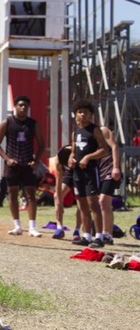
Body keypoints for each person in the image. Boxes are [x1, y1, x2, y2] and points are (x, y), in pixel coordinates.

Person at [0, 95, 45, 237]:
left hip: (28, 164)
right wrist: (7, 159)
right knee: (12, 194)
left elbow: (42, 145)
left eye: (26, 106)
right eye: (21, 105)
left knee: (31, 195)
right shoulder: (7, 123)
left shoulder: (33, 124)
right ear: (15, 106)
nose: (23, 108)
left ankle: (32, 227)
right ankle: (17, 225)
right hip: (13, 165)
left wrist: (36, 161)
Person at [67, 100, 109, 247]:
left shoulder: (95, 130)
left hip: (91, 171)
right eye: (80, 112)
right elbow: (73, 151)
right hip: (77, 173)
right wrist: (71, 158)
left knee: (93, 203)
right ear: (75, 114)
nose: (82, 115)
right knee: (82, 204)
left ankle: (99, 237)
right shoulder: (75, 132)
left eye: (85, 112)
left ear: (90, 114)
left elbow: (105, 150)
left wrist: (88, 157)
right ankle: (86, 235)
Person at [90, 124, 121, 248]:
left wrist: (116, 167)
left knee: (103, 201)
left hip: (109, 170)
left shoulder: (103, 130)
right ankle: (105, 234)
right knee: (100, 203)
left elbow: (114, 146)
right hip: (98, 172)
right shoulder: (85, 133)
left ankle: (107, 234)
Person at [49, 143, 78, 240]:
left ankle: (77, 230)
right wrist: (59, 201)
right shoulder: (59, 159)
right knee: (57, 196)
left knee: (81, 200)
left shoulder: (78, 152)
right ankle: (59, 227)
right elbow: (58, 179)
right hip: (70, 173)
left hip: (82, 170)